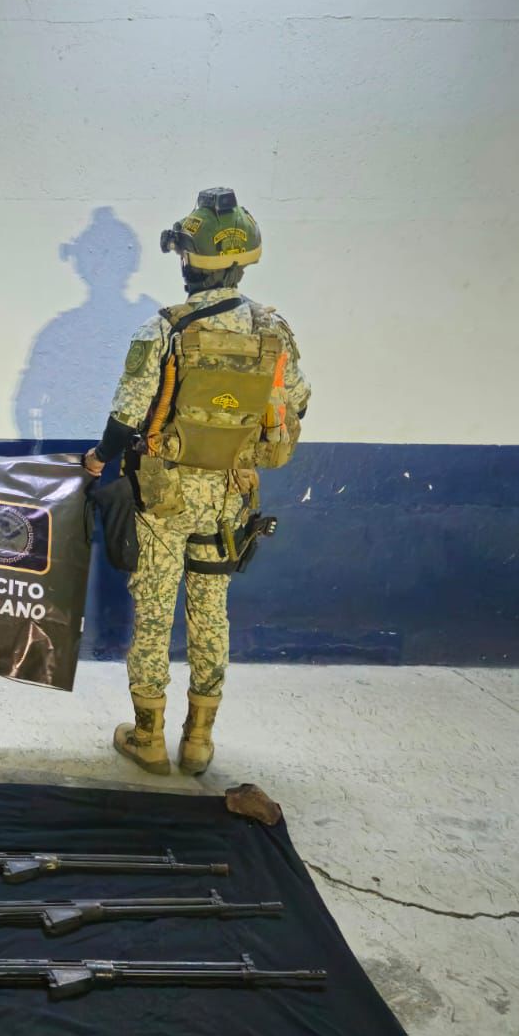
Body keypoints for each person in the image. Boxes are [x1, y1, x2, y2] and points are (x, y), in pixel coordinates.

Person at [82, 188, 310, 776]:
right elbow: (295, 403)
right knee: (211, 612)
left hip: (165, 496)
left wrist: (99, 459)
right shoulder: (274, 330)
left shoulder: (164, 328)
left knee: (155, 614)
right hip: (231, 496)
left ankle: (148, 737)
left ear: (190, 261)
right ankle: (200, 740)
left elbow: (127, 415)